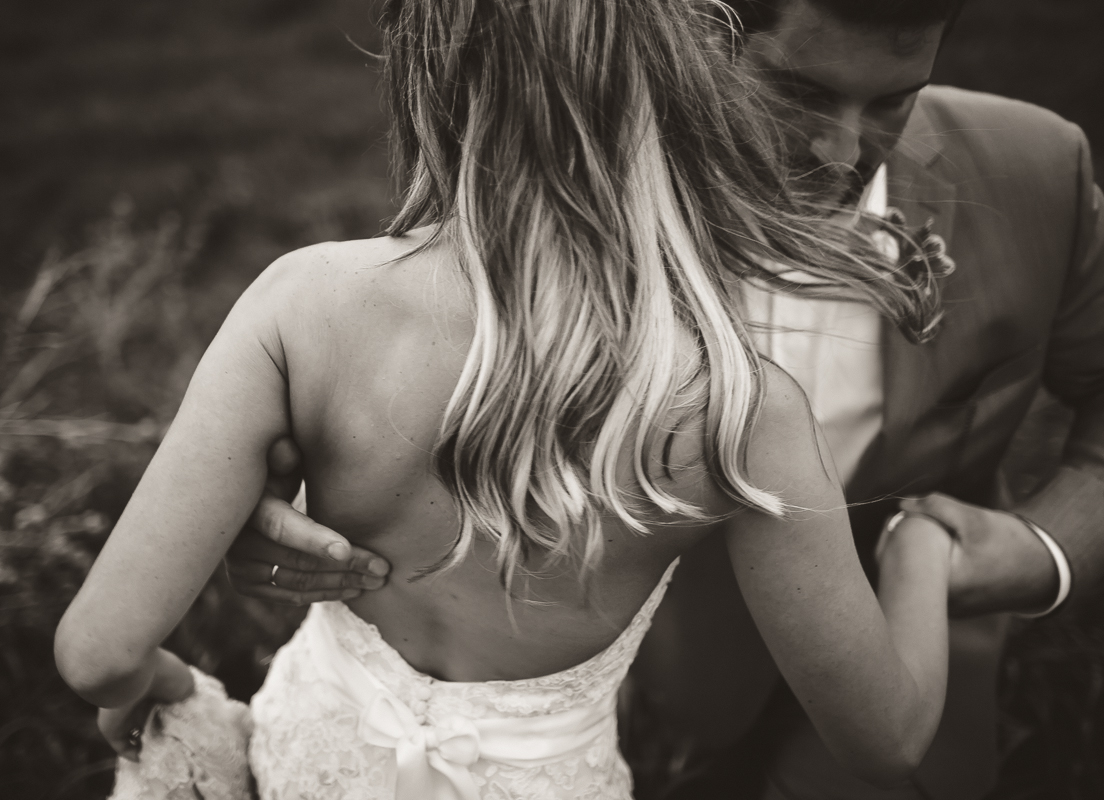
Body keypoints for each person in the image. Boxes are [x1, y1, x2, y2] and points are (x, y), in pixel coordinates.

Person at [55, 1, 962, 798]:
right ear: (685, 96)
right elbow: (883, 742)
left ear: (426, 85)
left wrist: (166, 693)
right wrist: (921, 549)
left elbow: (99, 654)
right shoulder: (740, 408)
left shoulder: (305, 304)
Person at [228, 0, 1104, 798]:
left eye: (892, 103)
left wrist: (1045, 550)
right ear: (691, 40)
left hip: (907, 707)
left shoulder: (1037, 171)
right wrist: (265, 487)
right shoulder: (555, 195)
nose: (844, 151)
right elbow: (412, 400)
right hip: (608, 718)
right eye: (797, 91)